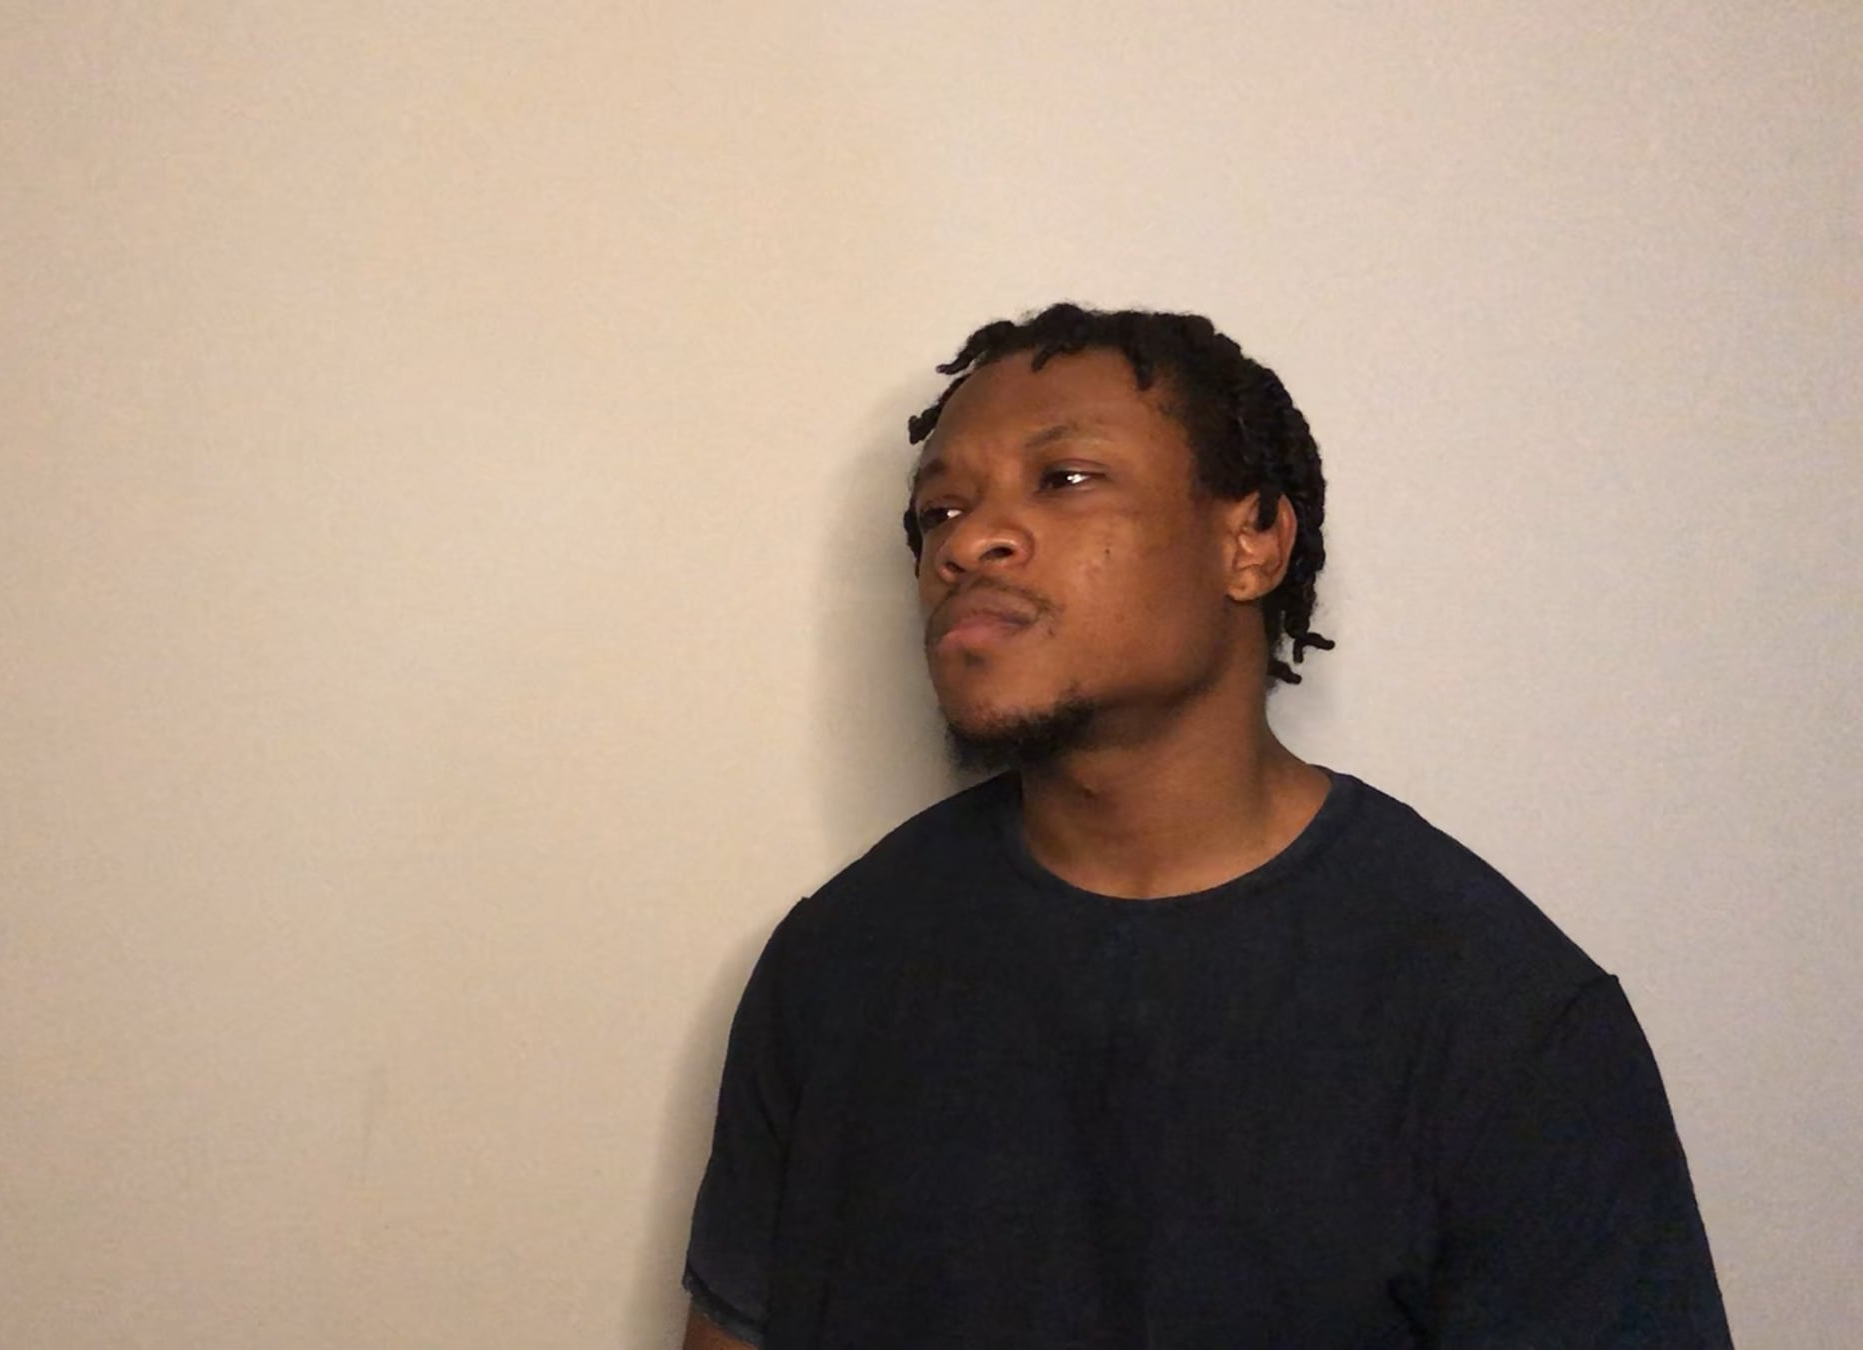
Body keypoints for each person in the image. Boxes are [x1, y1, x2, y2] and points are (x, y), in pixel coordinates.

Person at [678, 303, 1731, 1348]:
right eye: (939, 510)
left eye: (1066, 478)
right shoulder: (836, 963)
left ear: (1252, 542)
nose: (967, 543)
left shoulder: (1504, 1022)